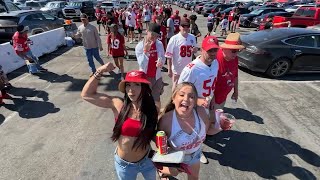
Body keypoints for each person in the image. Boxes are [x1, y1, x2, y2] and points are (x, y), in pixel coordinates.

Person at [81, 68, 158, 180]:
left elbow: (155, 134)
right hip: (125, 165)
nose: (131, 90)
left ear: (144, 88)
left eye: (136, 84)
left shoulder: (152, 109)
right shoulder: (118, 105)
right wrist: (100, 71)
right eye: (128, 85)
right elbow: (86, 95)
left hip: (147, 161)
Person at [178, 36, 220, 164]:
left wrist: (212, 100)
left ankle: (197, 149)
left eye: (215, 50)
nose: (212, 54)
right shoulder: (191, 69)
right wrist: (197, 101)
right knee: (191, 130)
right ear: (202, 50)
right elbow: (179, 93)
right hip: (192, 105)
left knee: (201, 129)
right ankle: (189, 151)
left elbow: (213, 84)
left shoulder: (216, 63)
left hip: (206, 103)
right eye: (209, 50)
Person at [157, 82, 210, 180]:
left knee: (194, 177)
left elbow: (208, 130)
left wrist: (220, 127)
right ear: (173, 98)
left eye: (191, 97)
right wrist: (170, 164)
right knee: (173, 173)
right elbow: (160, 145)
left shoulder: (201, 112)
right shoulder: (165, 121)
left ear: (195, 102)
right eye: (181, 95)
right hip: (175, 157)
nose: (186, 99)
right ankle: (162, 172)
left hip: (195, 154)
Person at [214, 33, 244, 125]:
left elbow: (235, 76)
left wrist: (236, 91)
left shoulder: (234, 58)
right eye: (234, 51)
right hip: (213, 98)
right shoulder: (215, 59)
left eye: (238, 50)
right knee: (210, 121)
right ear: (225, 48)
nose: (236, 53)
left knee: (216, 120)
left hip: (223, 96)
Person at [135, 23, 165, 112]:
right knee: (144, 100)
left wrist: (161, 62)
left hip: (157, 76)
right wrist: (145, 51)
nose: (154, 38)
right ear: (147, 31)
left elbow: (163, 57)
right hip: (145, 77)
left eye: (156, 36)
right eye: (152, 34)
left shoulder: (159, 44)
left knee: (157, 99)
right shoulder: (140, 46)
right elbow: (142, 64)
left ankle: (157, 116)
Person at [165, 19, 198, 91]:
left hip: (188, 68)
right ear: (180, 27)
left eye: (187, 26)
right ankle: (173, 101)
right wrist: (169, 69)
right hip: (177, 68)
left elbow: (195, 50)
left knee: (187, 87)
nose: (185, 28)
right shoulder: (174, 39)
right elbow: (168, 55)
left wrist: (195, 50)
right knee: (176, 86)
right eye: (183, 26)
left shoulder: (192, 37)